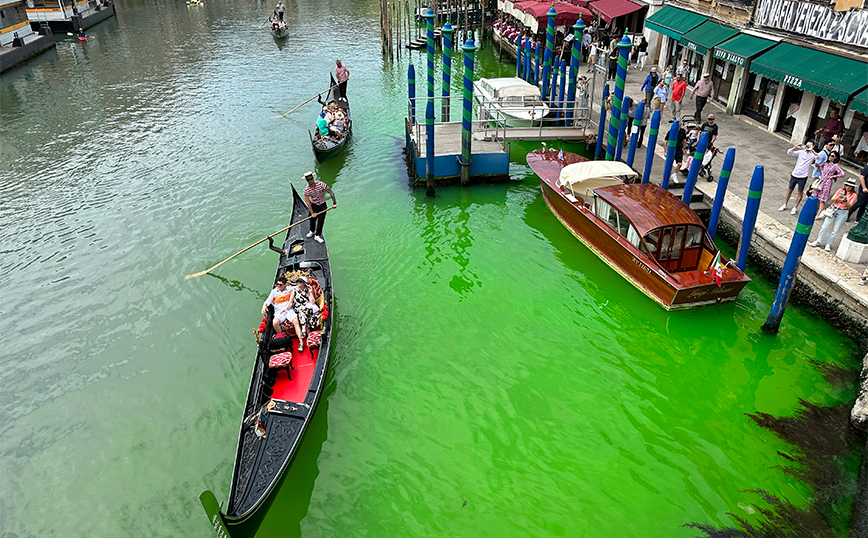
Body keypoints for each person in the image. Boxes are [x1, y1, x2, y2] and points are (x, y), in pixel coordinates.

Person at [810, 177, 858, 252]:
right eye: (847, 186)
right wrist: (839, 197)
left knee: (835, 230)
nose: (848, 188)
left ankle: (829, 243)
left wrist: (845, 201)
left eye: (850, 186)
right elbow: (832, 199)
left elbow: (849, 206)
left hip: (843, 212)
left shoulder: (854, 195)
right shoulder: (840, 190)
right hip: (834, 209)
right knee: (824, 226)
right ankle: (819, 240)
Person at [779, 141, 816, 215]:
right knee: (790, 190)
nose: (807, 147)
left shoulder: (812, 155)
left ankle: (795, 207)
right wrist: (796, 146)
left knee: (800, 192)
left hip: (803, 176)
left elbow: (819, 157)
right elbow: (789, 152)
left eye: (810, 145)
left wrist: (812, 150)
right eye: (807, 145)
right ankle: (785, 204)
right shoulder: (801, 152)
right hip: (795, 174)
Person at [262, 276, 303, 341]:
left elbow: (298, 287)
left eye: (280, 285)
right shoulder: (274, 292)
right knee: (275, 322)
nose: (278, 286)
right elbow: (268, 301)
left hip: (289, 310)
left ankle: (301, 341)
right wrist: (264, 306)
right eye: (277, 284)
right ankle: (283, 339)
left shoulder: (289, 289)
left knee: (296, 321)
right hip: (279, 312)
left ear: (285, 285)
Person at [302, 172, 337, 244]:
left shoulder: (321, 184)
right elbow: (307, 202)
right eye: (308, 180)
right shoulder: (306, 190)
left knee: (321, 221)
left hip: (322, 205)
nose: (310, 181)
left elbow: (330, 192)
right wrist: (312, 213)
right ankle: (312, 231)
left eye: (311, 179)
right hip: (313, 205)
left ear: (313, 178)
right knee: (312, 220)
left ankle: (317, 235)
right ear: (306, 180)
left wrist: (334, 203)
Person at [812, 151, 846, 219]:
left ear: (835, 158)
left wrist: (833, 176)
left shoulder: (835, 165)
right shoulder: (825, 162)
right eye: (830, 155)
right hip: (821, 180)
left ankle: (818, 214)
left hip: (827, 182)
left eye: (832, 156)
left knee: (822, 199)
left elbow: (842, 173)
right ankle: (814, 211)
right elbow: (821, 166)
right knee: (815, 196)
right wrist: (822, 173)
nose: (830, 157)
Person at [290, 276, 319, 343]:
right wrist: (285, 309)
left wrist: (311, 293)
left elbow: (312, 302)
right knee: (303, 311)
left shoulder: (308, 290)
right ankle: (306, 332)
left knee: (305, 312)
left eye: (300, 281)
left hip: (306, 308)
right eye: (297, 281)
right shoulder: (294, 290)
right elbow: (290, 302)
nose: (298, 283)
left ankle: (306, 333)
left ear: (304, 283)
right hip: (298, 307)